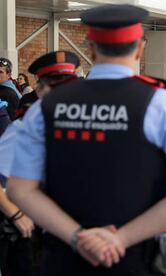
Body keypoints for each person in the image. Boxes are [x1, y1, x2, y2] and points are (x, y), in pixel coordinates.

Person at [7, 4, 166, 275]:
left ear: (90, 49)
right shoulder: (164, 107)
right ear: (139, 48)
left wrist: (78, 237)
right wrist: (119, 239)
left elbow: (20, 189)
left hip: (64, 260)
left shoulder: (45, 108)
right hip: (139, 260)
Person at [0, 50, 80, 276]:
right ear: (39, 91)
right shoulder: (25, 128)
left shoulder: (79, 128)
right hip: (32, 237)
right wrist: (17, 215)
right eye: (53, 87)